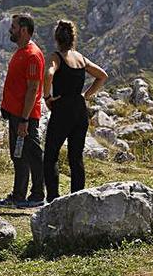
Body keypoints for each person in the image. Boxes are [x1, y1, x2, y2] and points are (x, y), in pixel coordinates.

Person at [42, 20, 108, 202]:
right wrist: (85, 96)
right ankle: (77, 198)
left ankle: (53, 199)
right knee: (76, 157)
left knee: (51, 154)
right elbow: (102, 76)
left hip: (62, 108)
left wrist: (47, 97)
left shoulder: (55, 57)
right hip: (80, 110)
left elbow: (48, 74)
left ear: (56, 38)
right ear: (73, 38)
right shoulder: (80, 58)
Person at [0, 13, 46, 209]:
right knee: (19, 156)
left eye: (14, 27)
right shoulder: (21, 51)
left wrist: (24, 119)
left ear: (23, 30)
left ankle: (38, 195)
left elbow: (33, 89)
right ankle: (19, 196)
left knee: (32, 155)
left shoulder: (33, 55)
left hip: (26, 117)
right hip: (16, 115)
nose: (10, 30)